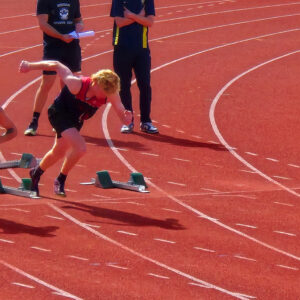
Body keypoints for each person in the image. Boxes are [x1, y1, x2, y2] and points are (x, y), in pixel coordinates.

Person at [19, 60, 133, 197]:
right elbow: (56, 65)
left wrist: (127, 119)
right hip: (59, 113)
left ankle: (35, 173)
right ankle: (60, 179)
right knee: (81, 148)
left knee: (59, 152)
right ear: (95, 83)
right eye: (104, 92)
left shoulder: (110, 93)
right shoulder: (76, 84)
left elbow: (122, 113)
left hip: (76, 120)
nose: (105, 96)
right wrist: (30, 66)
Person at [24, 0, 84, 136]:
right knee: (47, 83)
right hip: (53, 47)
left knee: (69, 85)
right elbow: (43, 24)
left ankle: (62, 120)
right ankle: (34, 121)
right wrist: (61, 36)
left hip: (72, 47)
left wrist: (80, 26)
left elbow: (78, 20)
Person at [110, 0, 158, 134]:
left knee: (145, 85)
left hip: (141, 49)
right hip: (121, 48)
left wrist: (131, 15)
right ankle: (128, 122)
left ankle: (146, 121)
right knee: (123, 86)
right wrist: (139, 16)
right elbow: (119, 22)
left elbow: (150, 22)